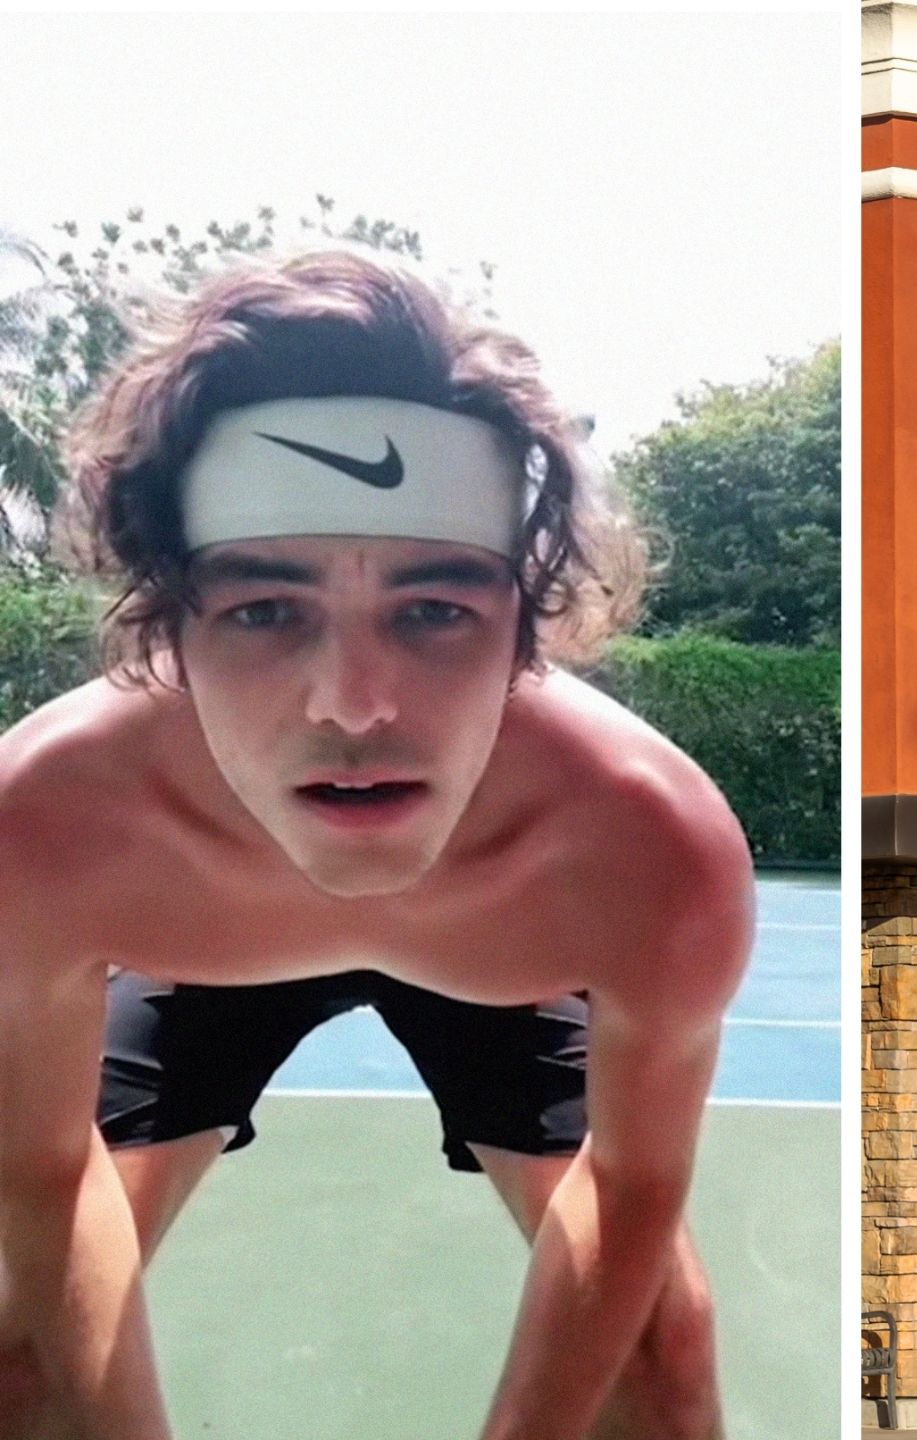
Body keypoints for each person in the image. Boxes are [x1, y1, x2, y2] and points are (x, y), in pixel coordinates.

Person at [0, 249, 752, 1439]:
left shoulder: (649, 851)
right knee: (15, 1355)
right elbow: (43, 1178)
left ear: (523, 625)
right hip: (197, 951)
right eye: (264, 609)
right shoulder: (41, 825)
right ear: (170, 622)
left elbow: (636, 1183)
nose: (352, 706)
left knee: (662, 1358)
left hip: (502, 958)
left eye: (434, 609)